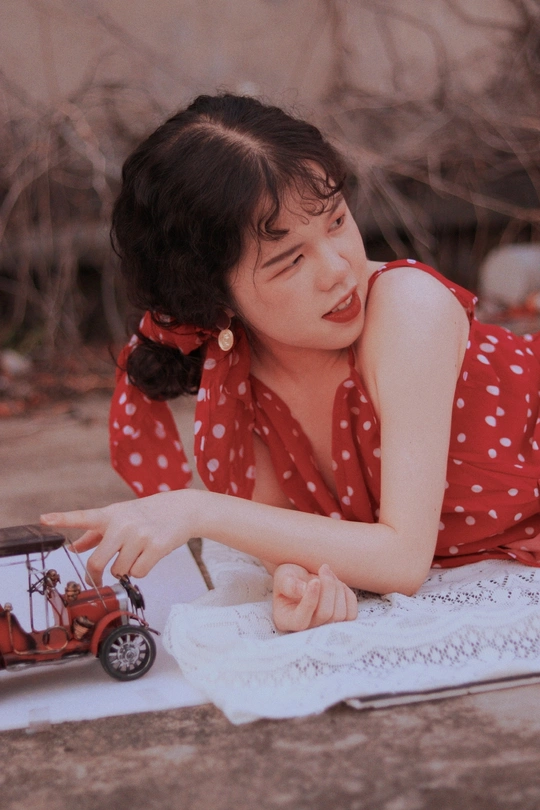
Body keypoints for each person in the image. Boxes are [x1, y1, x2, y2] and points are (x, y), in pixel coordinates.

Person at [41, 93, 540, 633]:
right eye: (289, 261)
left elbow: (401, 560)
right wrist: (299, 583)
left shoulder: (407, 309)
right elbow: (288, 534)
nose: (337, 269)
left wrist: (195, 510)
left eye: (337, 220)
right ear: (214, 297)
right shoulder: (238, 379)